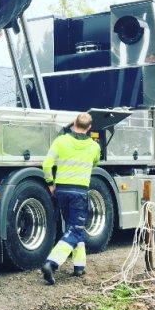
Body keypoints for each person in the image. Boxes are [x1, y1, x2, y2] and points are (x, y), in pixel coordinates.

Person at [40, 112, 101, 285]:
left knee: (73, 227)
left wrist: (50, 183)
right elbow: (95, 162)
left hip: (62, 191)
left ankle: (79, 266)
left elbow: (46, 165)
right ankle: (51, 264)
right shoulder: (93, 146)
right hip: (80, 192)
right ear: (89, 128)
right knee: (75, 229)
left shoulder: (61, 141)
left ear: (74, 123)